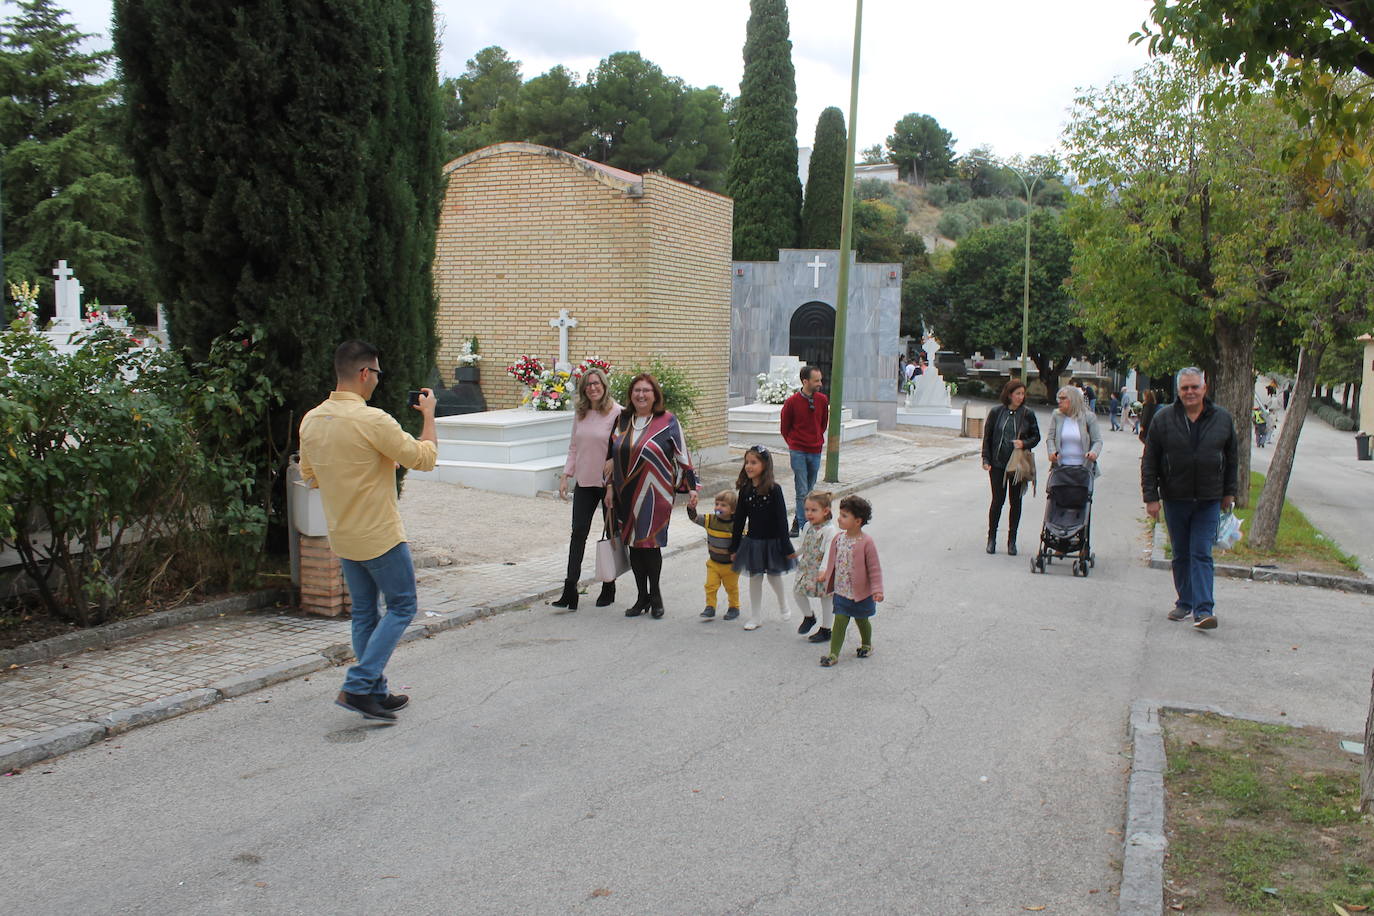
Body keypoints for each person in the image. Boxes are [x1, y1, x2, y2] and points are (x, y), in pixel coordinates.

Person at [299, 340, 438, 722]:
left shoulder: (311, 419)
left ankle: (374, 691)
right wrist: (429, 415)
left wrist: (375, 463)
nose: (377, 380)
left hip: (342, 535)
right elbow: (425, 458)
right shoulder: (372, 420)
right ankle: (359, 684)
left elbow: (309, 475)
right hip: (379, 535)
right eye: (377, 373)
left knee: (364, 613)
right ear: (365, 373)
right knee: (403, 606)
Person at [1141, 368, 1238, 630]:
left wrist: (1229, 492)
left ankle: (1204, 610)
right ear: (1178, 391)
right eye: (1185, 388)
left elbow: (1232, 459)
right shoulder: (1163, 419)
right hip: (1175, 497)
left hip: (1209, 498)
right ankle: (1185, 601)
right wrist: (1151, 497)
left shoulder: (1222, 419)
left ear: (1204, 388)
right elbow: (1150, 460)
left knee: (1201, 553)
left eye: (1195, 387)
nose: (1190, 392)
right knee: (1181, 553)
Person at [607, 373, 698, 619]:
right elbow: (611, 456)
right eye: (636, 390)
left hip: (656, 492)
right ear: (631, 394)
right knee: (634, 546)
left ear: (654, 394)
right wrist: (609, 488)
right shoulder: (623, 419)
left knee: (650, 544)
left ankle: (655, 595)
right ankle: (641, 597)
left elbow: (682, 455)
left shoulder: (668, 420)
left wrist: (692, 487)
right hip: (625, 492)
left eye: (646, 390)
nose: (641, 394)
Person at [551, 368, 622, 611]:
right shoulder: (580, 413)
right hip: (584, 482)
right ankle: (570, 589)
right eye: (588, 385)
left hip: (609, 485)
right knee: (578, 532)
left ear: (604, 385)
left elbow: (623, 448)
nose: (592, 388)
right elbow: (574, 446)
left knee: (610, 535)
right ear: (583, 389)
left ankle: (608, 585)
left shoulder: (617, 412)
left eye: (596, 383)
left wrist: (614, 464)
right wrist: (566, 475)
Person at [729, 445, 797, 630]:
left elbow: (782, 520)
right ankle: (756, 616)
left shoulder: (774, 490)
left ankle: (783, 603)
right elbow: (739, 521)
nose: (748, 466)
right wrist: (734, 547)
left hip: (773, 541)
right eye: (747, 462)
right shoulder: (745, 490)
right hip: (754, 542)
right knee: (755, 577)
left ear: (765, 465)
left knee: (774, 576)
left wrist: (786, 546)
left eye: (754, 462)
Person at [816, 495, 883, 667]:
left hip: (861, 593)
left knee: (862, 620)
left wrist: (877, 590)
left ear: (858, 521)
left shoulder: (866, 542)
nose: (839, 518)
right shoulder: (839, 539)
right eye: (840, 514)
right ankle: (833, 654)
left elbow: (874, 569)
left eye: (845, 516)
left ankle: (866, 644)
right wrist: (825, 574)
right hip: (841, 591)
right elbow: (832, 560)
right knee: (839, 620)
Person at [981, 379, 1042, 556]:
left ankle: (1012, 540)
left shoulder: (1027, 414)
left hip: (1018, 465)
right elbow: (988, 437)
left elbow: (1036, 436)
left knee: (1015, 502)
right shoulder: (996, 412)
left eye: (1023, 394)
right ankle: (991, 538)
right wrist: (986, 458)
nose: (1020, 397)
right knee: (997, 501)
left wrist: (1023, 442)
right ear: (1009, 394)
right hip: (998, 463)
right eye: (1017, 394)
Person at [780, 365, 829, 536]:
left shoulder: (822, 400)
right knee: (802, 490)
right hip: (798, 451)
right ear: (805, 381)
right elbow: (785, 428)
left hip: (815, 450)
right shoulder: (792, 402)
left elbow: (823, 423)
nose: (820, 384)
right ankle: (803, 527)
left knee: (810, 489)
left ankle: (799, 520)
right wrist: (794, 444)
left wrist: (815, 439)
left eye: (820, 380)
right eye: (816, 381)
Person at [792, 490, 839, 643]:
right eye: (806, 510)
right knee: (798, 592)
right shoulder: (807, 526)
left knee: (825, 598)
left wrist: (824, 570)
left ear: (825, 511)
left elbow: (829, 553)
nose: (809, 513)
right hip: (807, 567)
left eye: (813, 510)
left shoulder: (830, 530)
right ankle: (809, 616)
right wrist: (794, 554)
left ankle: (826, 629)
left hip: (822, 569)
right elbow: (804, 545)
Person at [688, 489, 740, 621]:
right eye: (717, 504)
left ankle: (734, 607)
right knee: (710, 586)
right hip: (714, 563)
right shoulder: (710, 520)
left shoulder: (736, 525)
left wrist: (738, 553)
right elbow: (695, 518)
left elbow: (743, 541)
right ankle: (710, 607)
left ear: (733, 510)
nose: (718, 507)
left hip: (730, 566)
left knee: (731, 588)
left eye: (723, 505)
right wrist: (691, 509)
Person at [1047, 385, 1104, 481]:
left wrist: (1093, 452)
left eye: (1063, 398)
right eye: (1059, 398)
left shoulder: (1089, 417)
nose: (1059, 401)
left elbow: (1097, 440)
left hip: (1083, 468)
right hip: (1061, 468)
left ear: (1073, 399)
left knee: (1081, 495)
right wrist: (1052, 452)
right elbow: (1050, 438)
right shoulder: (1056, 415)